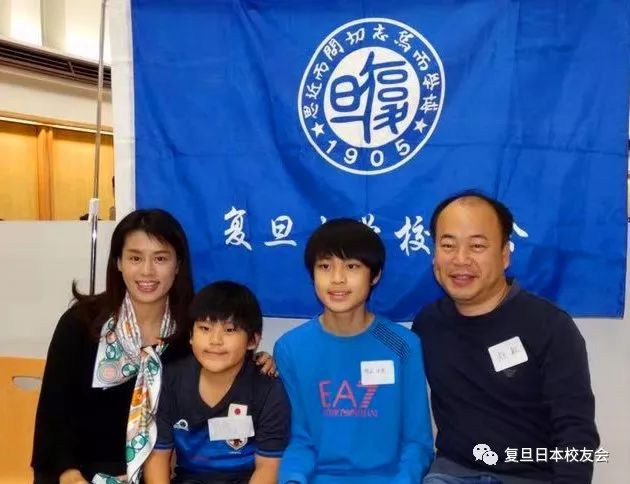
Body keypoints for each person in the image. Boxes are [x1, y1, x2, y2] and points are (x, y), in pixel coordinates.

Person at [412, 191, 599, 484]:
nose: (460, 259)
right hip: (454, 473)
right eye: (448, 245)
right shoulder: (428, 324)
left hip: (533, 476)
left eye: (477, 245)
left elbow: (576, 430)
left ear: (504, 254)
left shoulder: (549, 325)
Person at [274, 218, 434, 484]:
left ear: (375, 275)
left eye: (352, 266)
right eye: (325, 266)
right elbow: (300, 440)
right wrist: (293, 479)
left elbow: (417, 443)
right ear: (312, 274)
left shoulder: (403, 344)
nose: (337, 279)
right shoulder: (290, 348)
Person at [144, 281, 290, 484]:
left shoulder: (268, 389)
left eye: (229, 330)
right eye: (205, 328)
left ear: (253, 341)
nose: (215, 340)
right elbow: (157, 457)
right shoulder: (170, 380)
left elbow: (269, 467)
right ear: (191, 335)